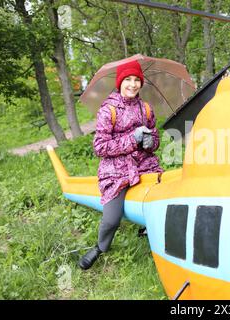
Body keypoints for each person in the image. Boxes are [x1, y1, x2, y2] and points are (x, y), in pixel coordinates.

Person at [79, 60, 163, 270]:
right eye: (128, 80)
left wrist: (150, 142)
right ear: (120, 83)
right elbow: (100, 147)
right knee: (112, 218)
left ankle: (147, 229)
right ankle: (100, 247)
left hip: (144, 164)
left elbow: (155, 139)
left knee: (162, 196)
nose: (133, 84)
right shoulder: (108, 110)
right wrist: (132, 140)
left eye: (136, 80)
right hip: (117, 169)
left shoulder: (146, 108)